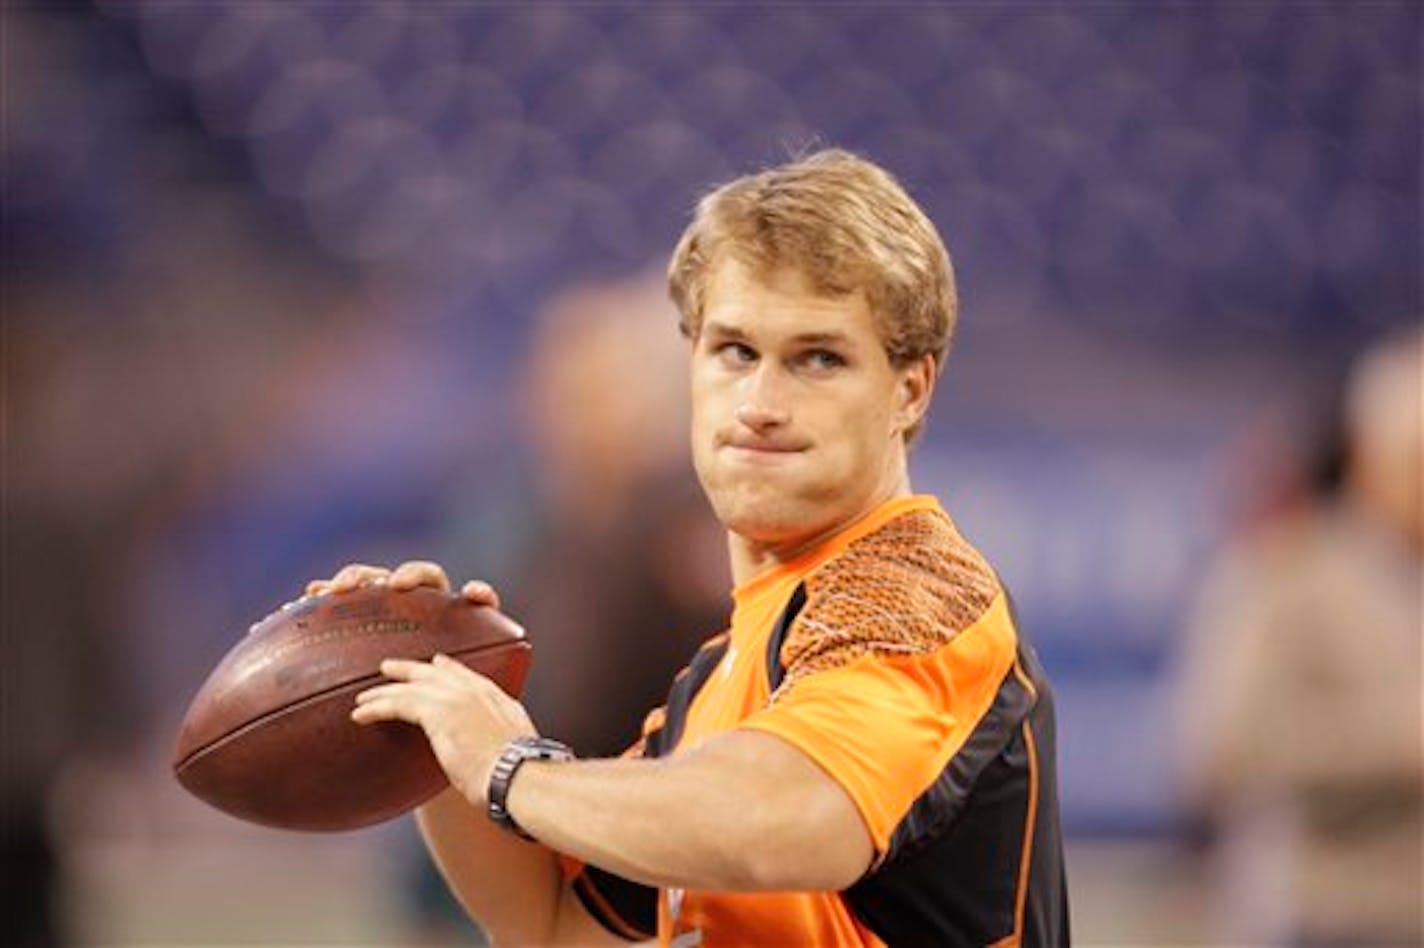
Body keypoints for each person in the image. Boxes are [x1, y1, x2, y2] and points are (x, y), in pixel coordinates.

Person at [308, 150, 1070, 946]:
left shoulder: (919, 594)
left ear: (909, 389)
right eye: (735, 351)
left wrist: (508, 768)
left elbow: (788, 820)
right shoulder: (717, 676)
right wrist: (435, 714)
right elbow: (555, 925)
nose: (762, 404)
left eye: (819, 359)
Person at [1174, 329, 1422, 947]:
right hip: (1325, 917)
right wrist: (1396, 743)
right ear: (1370, 454)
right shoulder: (1287, 576)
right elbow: (1220, 749)